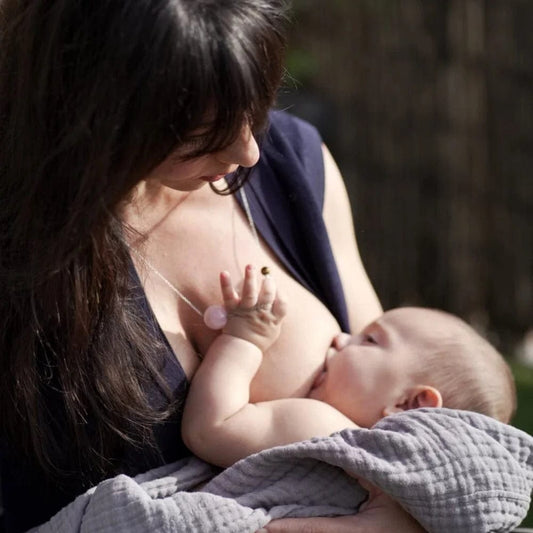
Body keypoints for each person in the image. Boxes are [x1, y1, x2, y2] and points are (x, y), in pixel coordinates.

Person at [0, 1, 413, 532]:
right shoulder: (20, 251)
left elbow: (413, 423)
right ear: (97, 112)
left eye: (255, 107)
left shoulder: (293, 167)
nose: (247, 153)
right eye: (201, 137)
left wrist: (394, 521)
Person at [182, 266, 517, 467]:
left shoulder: (332, 432)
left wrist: (245, 340)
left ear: (409, 404)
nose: (341, 338)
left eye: (369, 340)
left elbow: (210, 429)